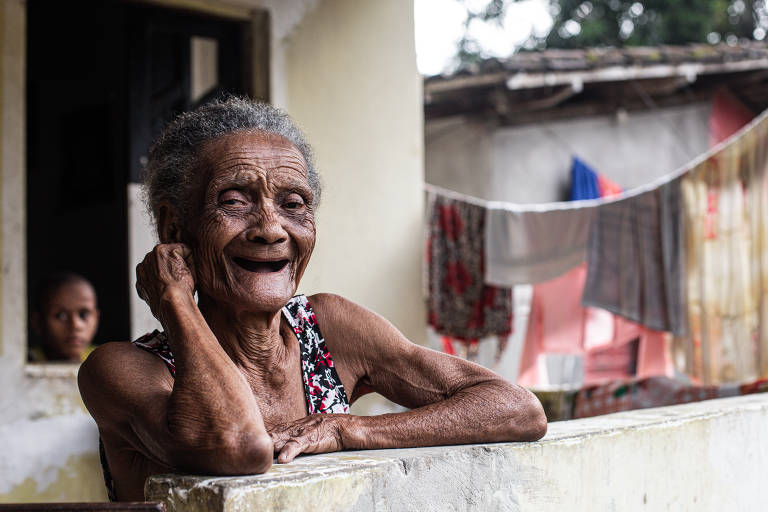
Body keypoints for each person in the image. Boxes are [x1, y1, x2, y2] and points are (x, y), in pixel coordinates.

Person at [78, 97, 547, 501]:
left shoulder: (329, 328)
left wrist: (347, 428)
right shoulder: (122, 370)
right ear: (176, 231)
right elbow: (239, 447)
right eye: (234, 201)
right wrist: (176, 302)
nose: (270, 229)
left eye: (293, 204)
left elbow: (516, 408)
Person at [30, 273, 100, 363]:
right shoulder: (23, 361)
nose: (76, 325)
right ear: (37, 322)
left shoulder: (100, 360)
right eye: (60, 316)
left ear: (96, 318)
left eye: (84, 315)